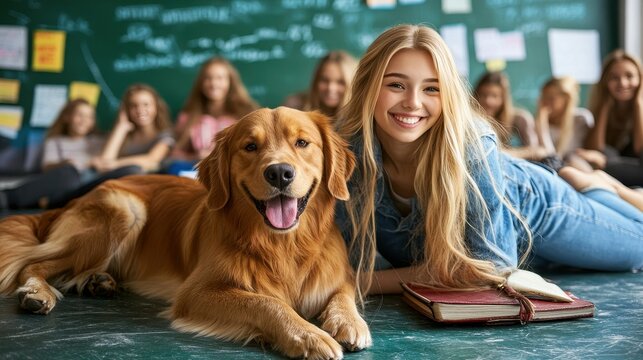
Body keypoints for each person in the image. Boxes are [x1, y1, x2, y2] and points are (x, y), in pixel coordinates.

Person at [334, 24, 643, 298]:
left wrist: (364, 282)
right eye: (396, 85)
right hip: (510, 244)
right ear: (368, 87)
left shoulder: (473, 146)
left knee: (638, 249)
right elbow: (337, 255)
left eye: (431, 88)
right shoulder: (345, 151)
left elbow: (488, 269)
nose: (413, 102)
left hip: (537, 205)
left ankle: (601, 188)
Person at [0, 99, 105, 210]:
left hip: (88, 188)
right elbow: (47, 166)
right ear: (67, 117)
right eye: (79, 115)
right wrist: (64, 164)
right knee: (68, 174)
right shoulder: (55, 141)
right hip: (65, 187)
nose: (84, 120)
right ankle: (7, 198)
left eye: (89, 117)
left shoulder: (99, 142)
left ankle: (13, 199)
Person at [166, 57, 258, 175]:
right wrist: (195, 156)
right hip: (199, 170)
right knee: (174, 168)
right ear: (201, 83)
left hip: (234, 169)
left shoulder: (247, 113)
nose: (213, 83)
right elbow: (174, 153)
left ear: (230, 82)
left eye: (220, 78)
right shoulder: (188, 117)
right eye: (208, 78)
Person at [584, 49, 643, 186]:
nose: (622, 83)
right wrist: (604, 109)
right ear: (605, 82)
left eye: (629, 76)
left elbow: (640, 149)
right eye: (614, 78)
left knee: (606, 166)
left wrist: (639, 105)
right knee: (606, 156)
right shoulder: (602, 107)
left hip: (633, 168)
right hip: (622, 170)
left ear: (640, 79)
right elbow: (596, 148)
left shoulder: (640, 106)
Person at [92, 83, 174, 175]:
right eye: (133, 106)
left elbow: (152, 160)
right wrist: (121, 128)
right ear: (127, 110)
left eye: (146, 104)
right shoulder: (126, 134)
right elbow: (105, 161)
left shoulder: (165, 135)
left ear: (156, 107)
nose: (140, 110)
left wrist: (115, 164)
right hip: (120, 180)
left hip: (146, 181)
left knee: (133, 170)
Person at [473, 71, 549, 161]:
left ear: (504, 98)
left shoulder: (520, 119)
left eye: (494, 96)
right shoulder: (472, 122)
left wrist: (501, 153)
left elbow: (536, 151)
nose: (488, 101)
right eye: (483, 95)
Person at [534, 76, 596, 172]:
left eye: (551, 98)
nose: (545, 102)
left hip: (578, 168)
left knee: (572, 159)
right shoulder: (540, 123)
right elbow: (551, 160)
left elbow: (560, 156)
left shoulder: (581, 119)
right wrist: (541, 124)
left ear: (566, 99)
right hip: (557, 171)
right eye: (543, 97)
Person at [282, 50, 358, 117]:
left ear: (351, 84)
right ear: (316, 81)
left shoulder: (358, 117)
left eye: (340, 82)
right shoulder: (294, 107)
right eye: (324, 80)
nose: (331, 88)